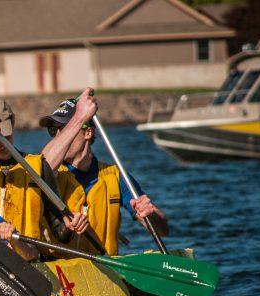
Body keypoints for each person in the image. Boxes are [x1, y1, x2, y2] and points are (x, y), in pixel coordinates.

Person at [40, 92, 169, 256]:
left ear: (88, 133)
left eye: (64, 129)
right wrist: (79, 118)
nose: (58, 137)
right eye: (53, 130)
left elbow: (163, 231)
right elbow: (44, 164)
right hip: (60, 270)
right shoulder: (50, 173)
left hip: (105, 271)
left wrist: (150, 215)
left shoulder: (115, 176)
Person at [0, 97, 87, 244]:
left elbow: (59, 232)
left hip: (25, 256)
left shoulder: (39, 167)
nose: (0, 144)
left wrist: (71, 226)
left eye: (5, 135)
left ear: (12, 123)